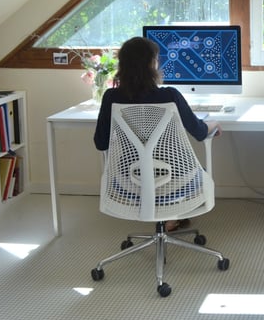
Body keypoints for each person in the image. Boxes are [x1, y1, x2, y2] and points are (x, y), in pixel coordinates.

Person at [94, 36, 221, 231]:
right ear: (152, 64)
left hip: (129, 181)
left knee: (150, 174)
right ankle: (171, 213)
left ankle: (166, 215)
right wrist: (212, 124)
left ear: (122, 66)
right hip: (178, 180)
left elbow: (100, 143)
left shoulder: (111, 97)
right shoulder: (169, 95)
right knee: (191, 172)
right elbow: (200, 132)